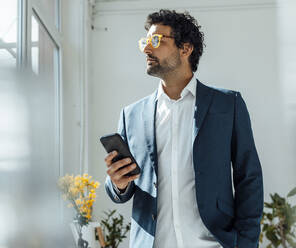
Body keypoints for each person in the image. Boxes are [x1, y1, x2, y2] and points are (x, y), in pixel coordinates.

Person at [104, 9, 263, 248]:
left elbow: (249, 177)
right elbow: (121, 190)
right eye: (145, 42)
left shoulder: (228, 105)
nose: (147, 49)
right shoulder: (131, 115)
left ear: (185, 48)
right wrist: (118, 183)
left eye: (156, 41)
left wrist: (247, 243)